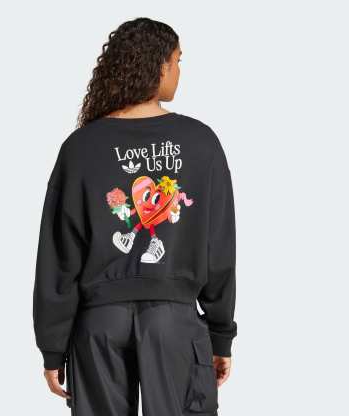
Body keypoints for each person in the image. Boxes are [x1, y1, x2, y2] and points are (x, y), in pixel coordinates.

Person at [33, 17, 237, 416]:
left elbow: (59, 256)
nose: (179, 71)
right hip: (174, 322)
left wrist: (53, 346)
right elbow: (219, 247)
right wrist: (220, 333)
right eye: (178, 60)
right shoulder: (201, 142)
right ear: (159, 65)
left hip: (99, 325)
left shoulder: (81, 147)